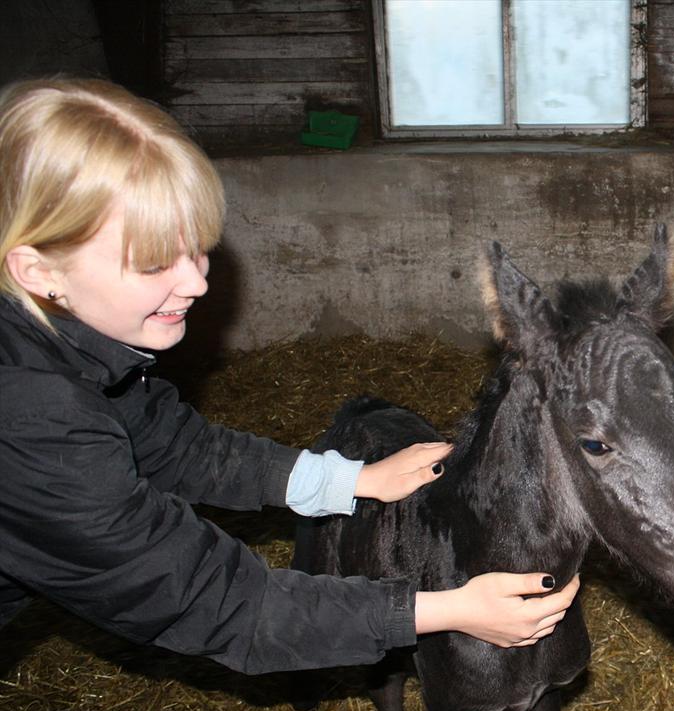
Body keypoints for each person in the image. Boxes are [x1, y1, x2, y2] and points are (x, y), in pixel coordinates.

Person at [0, 77, 580, 675]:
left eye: (197, 248)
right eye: (153, 264)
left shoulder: (71, 346)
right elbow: (219, 604)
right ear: (38, 269)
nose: (197, 283)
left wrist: (351, 481)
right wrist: (445, 610)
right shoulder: (30, 414)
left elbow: (174, 446)